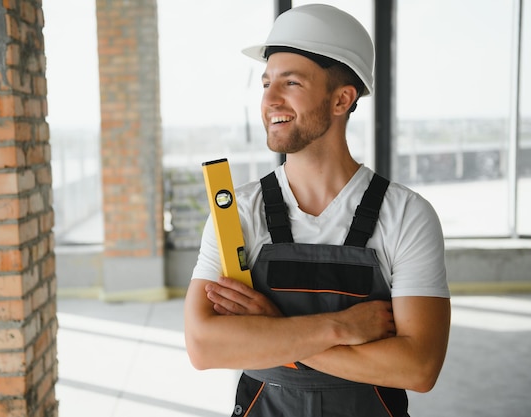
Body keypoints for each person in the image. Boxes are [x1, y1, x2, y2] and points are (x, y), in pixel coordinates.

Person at [184, 4, 451, 417]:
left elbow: (418, 368)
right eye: (266, 82)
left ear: (342, 99)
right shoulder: (237, 211)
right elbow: (203, 347)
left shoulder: (407, 215)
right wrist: (339, 328)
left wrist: (274, 330)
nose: (270, 99)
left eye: (290, 83)